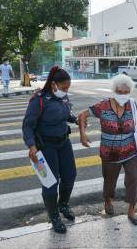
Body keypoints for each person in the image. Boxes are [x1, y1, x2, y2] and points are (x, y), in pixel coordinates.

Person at [78, 74, 137, 226]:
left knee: (133, 178)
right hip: (110, 153)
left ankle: (132, 211)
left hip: (131, 150)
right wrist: (82, 134)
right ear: (114, 91)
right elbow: (82, 115)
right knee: (110, 180)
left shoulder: (132, 105)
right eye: (120, 92)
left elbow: (136, 124)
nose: (123, 95)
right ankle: (108, 201)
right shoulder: (103, 106)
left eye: (127, 92)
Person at [22, 66, 78, 234]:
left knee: (70, 175)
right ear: (54, 84)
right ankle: (54, 216)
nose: (66, 90)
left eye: (68, 87)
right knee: (50, 182)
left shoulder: (63, 98)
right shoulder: (39, 100)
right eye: (64, 87)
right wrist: (31, 145)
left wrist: (75, 119)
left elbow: (65, 114)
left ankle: (64, 204)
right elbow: (27, 125)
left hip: (63, 142)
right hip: (45, 147)